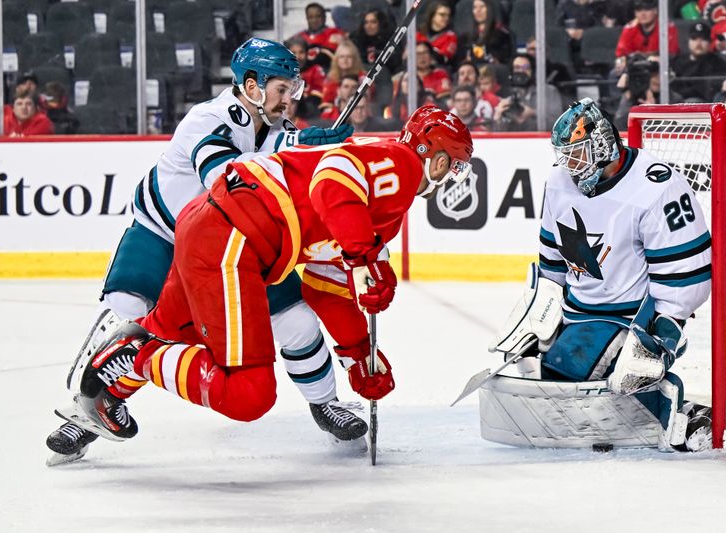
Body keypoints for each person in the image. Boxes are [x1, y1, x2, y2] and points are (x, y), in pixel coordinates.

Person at [69, 105, 474, 450]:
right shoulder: (400, 164)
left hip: (218, 229)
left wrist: (360, 356)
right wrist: (364, 256)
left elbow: (326, 288)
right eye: (454, 167)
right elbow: (331, 182)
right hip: (236, 236)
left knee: (169, 331)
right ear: (437, 159)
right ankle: (136, 359)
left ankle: (102, 397)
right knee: (249, 395)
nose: (450, 177)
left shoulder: (384, 203)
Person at [45, 38, 355, 465]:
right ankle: (88, 408)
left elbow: (278, 166)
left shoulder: (280, 130)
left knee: (297, 320)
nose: (290, 99)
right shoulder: (206, 119)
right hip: (164, 237)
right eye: (282, 89)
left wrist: (314, 149)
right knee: (133, 314)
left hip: (235, 249)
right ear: (252, 86)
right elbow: (225, 182)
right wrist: (300, 149)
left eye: (292, 90)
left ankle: (326, 404)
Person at [508, 98, 712, 451]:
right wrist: (540, 314)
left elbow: (685, 272)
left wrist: (665, 327)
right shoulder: (559, 181)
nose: (569, 165)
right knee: (543, 371)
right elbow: (552, 258)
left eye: (577, 154)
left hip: (631, 316)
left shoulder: (656, 186)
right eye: (565, 156)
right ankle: (624, 406)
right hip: (576, 311)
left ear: (602, 144)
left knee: (566, 368)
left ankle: (676, 405)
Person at [492, 54, 564, 132]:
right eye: (517, 68)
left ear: (532, 71)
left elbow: (560, 124)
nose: (521, 71)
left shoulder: (548, 91)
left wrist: (533, 113)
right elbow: (500, 134)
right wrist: (498, 117)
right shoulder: (508, 95)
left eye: (525, 67)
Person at [671, 22, 726, 103]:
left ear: (709, 42)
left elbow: (710, 91)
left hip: (703, 105)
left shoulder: (717, 64)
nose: (698, 43)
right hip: (675, 102)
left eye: (703, 39)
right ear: (688, 41)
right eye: (694, 38)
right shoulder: (676, 61)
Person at [615, 0, 679, 59]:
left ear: (655, 10)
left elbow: (672, 54)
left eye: (647, 9)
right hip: (635, 68)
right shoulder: (629, 28)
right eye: (639, 10)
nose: (643, 14)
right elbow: (621, 54)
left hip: (660, 67)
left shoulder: (667, 27)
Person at [457, 0, 512, 66]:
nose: (478, 10)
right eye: (475, 7)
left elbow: (505, 58)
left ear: (490, 9)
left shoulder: (501, 33)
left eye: (482, 7)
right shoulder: (467, 36)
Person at [291, 2, 346, 69]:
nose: (314, 20)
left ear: (324, 17)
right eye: (310, 17)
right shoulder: (299, 37)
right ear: (307, 18)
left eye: (318, 16)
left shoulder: (335, 33)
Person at [417, 0, 458, 68]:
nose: (446, 18)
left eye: (448, 15)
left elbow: (443, 59)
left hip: (437, 71)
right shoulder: (419, 33)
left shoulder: (451, 36)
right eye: (442, 15)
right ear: (432, 15)